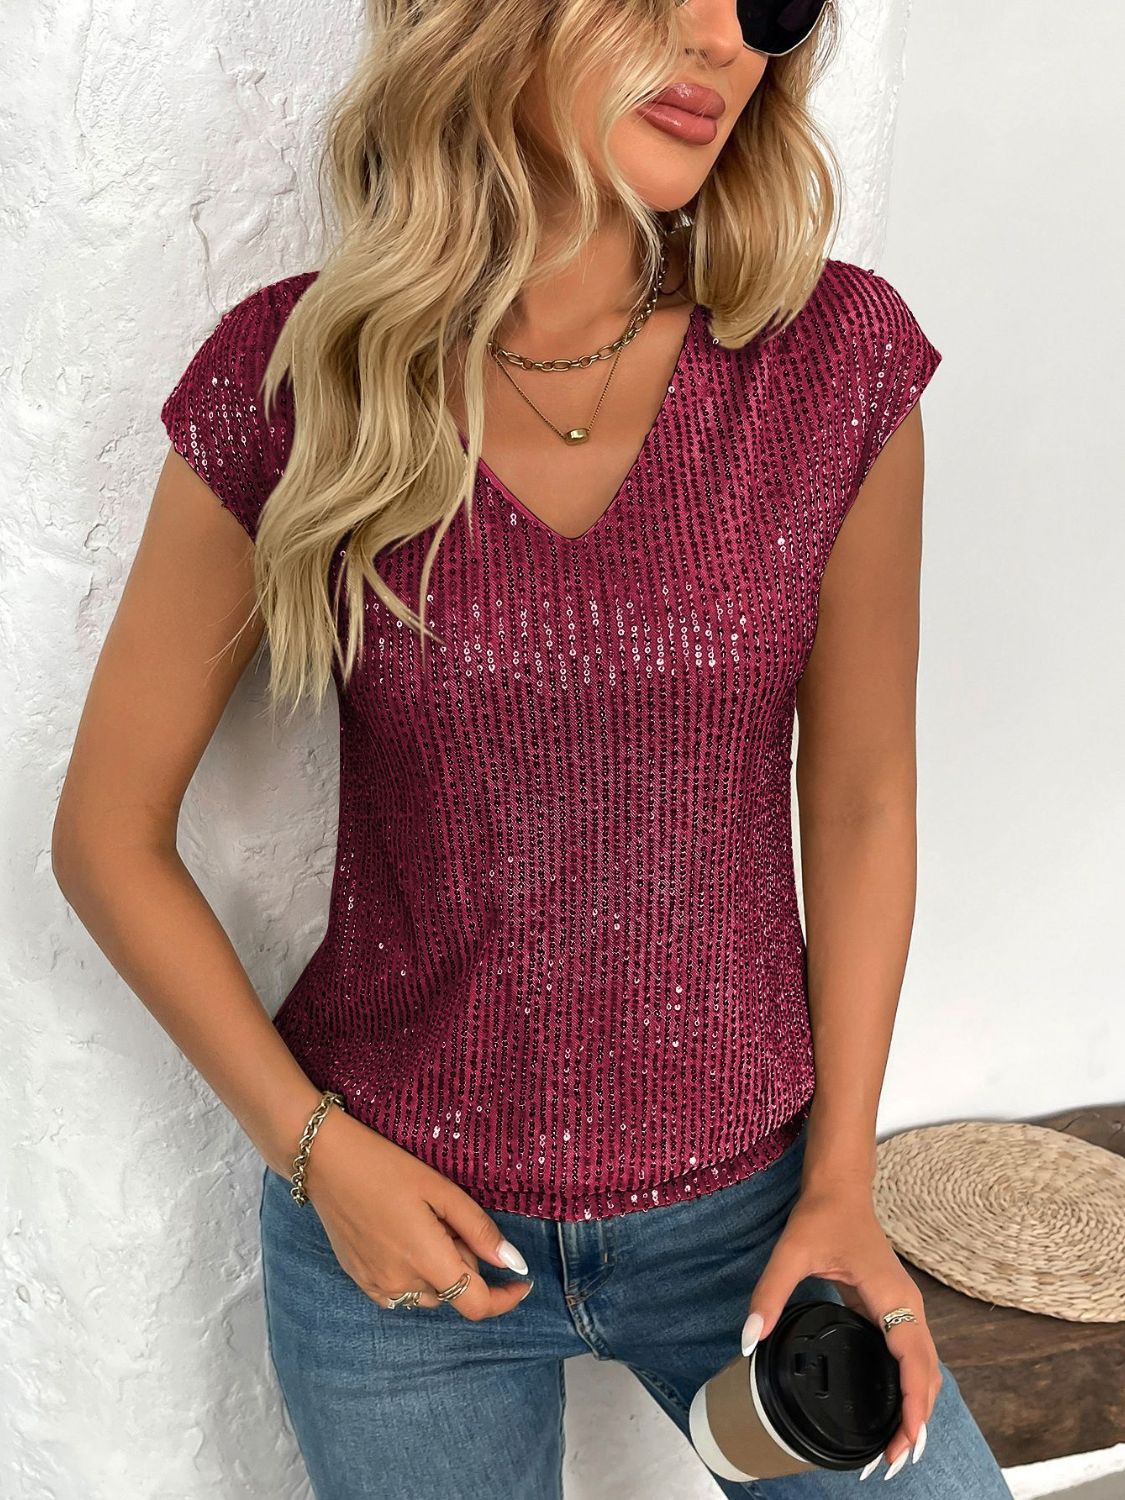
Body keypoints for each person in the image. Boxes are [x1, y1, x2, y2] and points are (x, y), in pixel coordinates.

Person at [51, 0, 1015, 1495]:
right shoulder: (303, 378)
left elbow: (861, 801)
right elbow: (105, 838)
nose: (725, 40)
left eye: (772, 3)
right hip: (401, 1237)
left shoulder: (830, 365)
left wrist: (841, 1182)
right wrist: (316, 1152)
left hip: (757, 1221)